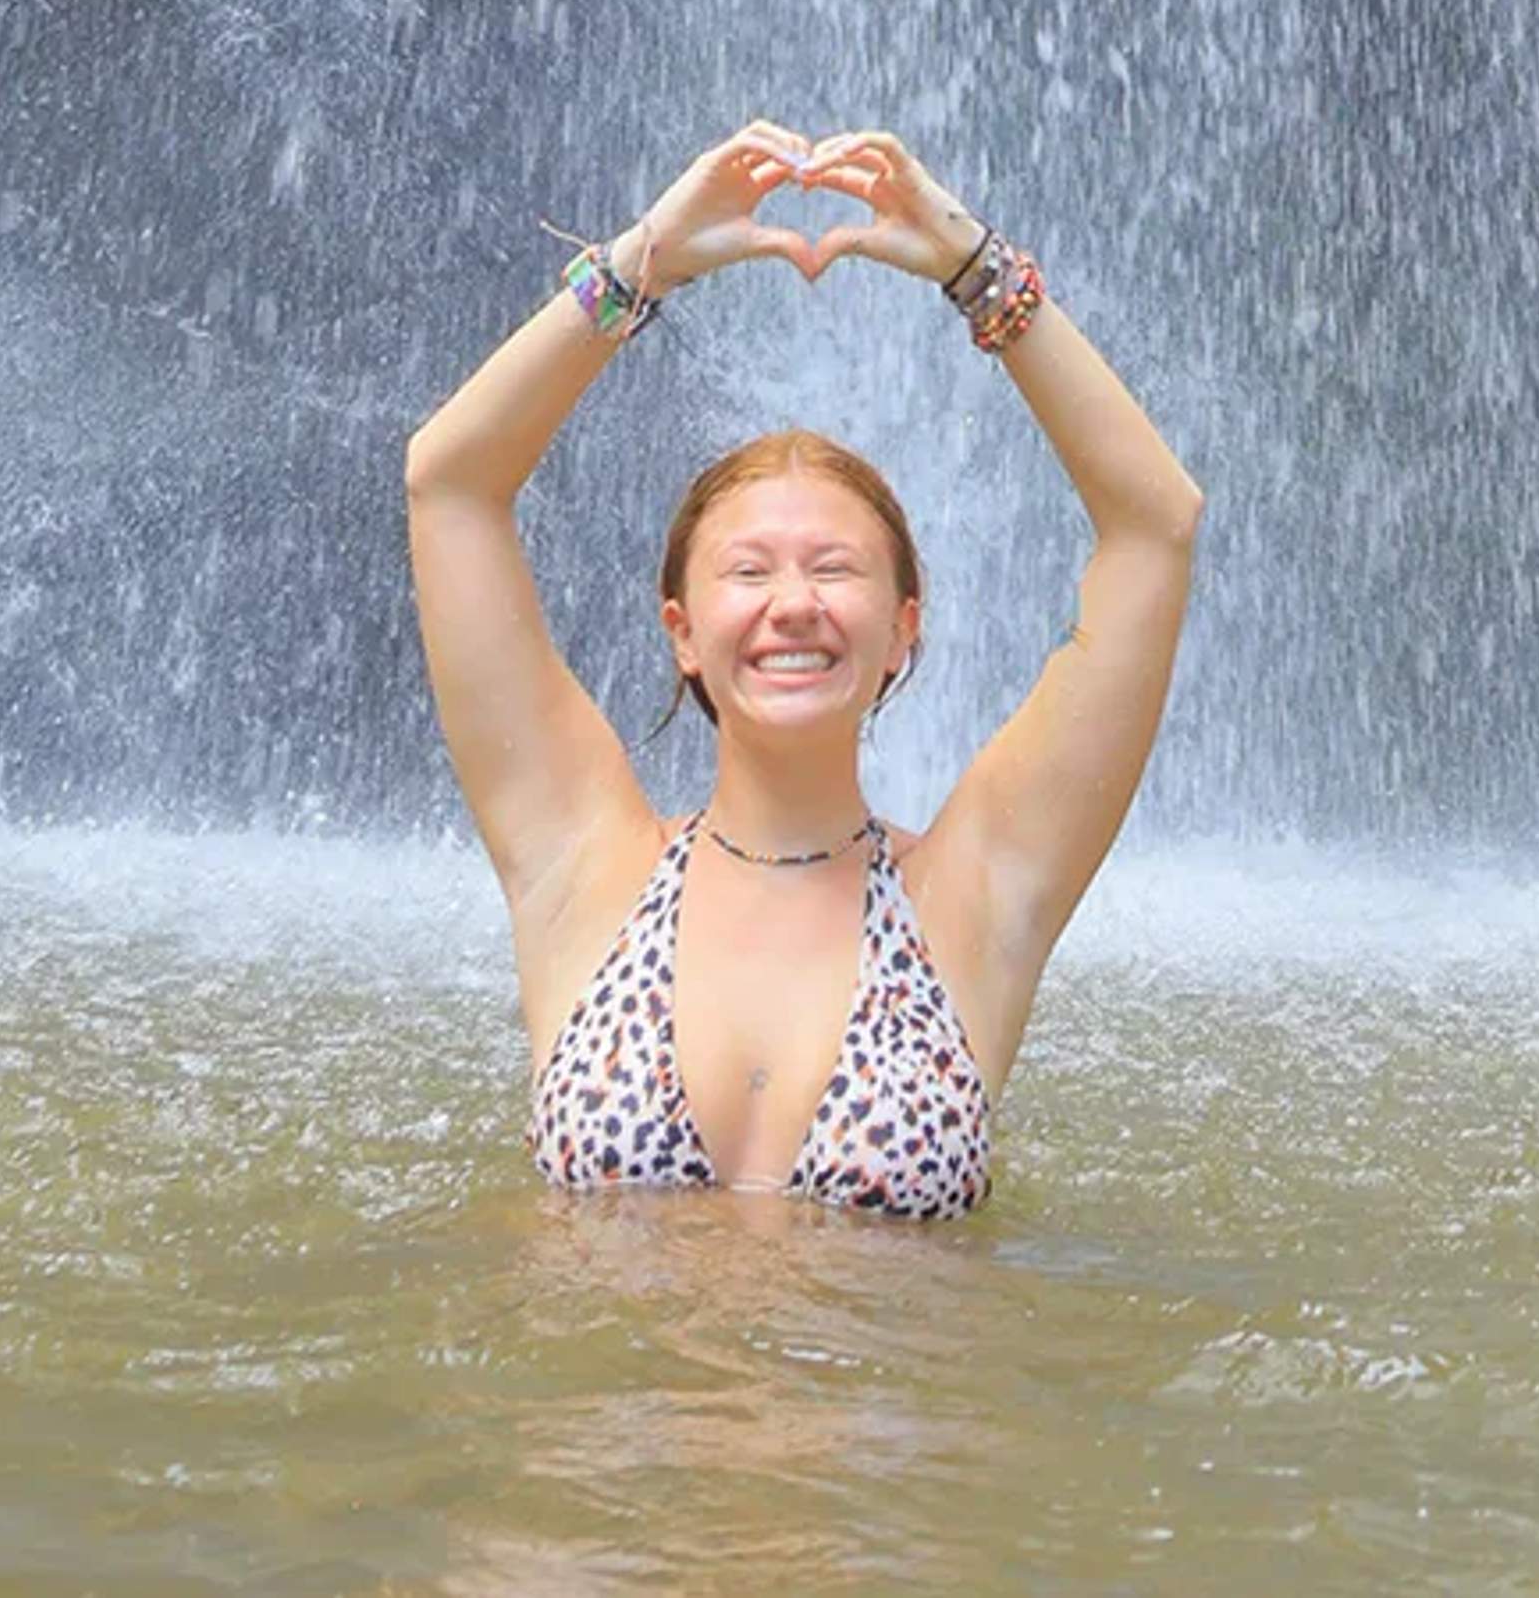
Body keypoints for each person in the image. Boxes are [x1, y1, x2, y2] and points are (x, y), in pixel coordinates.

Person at [404, 117, 1204, 1218]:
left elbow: (1155, 526)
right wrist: (645, 259)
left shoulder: (976, 892)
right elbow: (448, 484)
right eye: (749, 573)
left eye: (834, 569)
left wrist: (982, 275)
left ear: (903, 628)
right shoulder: (580, 862)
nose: (793, 605)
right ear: (682, 628)